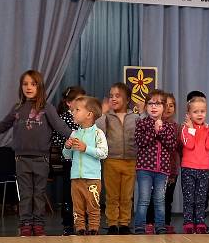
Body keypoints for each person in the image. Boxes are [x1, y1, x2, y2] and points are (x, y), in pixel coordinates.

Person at [0, 70, 74, 237]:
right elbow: (3, 125)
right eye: (25, 84)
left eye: (33, 84)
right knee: (25, 194)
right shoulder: (18, 108)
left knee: (38, 194)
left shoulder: (47, 108)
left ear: (39, 86)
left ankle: (38, 225)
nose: (28, 87)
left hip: (41, 159)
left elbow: (61, 127)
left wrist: (75, 137)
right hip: (21, 159)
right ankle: (25, 224)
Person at [133, 90, 178, 234]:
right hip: (144, 169)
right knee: (144, 199)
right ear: (146, 107)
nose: (154, 107)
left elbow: (171, 145)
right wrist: (154, 131)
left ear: (164, 107)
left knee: (160, 200)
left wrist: (161, 129)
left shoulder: (169, 126)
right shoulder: (142, 123)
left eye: (158, 104)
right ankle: (140, 226)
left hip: (163, 170)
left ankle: (160, 226)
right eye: (150, 103)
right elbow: (140, 142)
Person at [96, 82, 138, 235]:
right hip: (111, 160)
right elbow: (97, 131)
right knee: (112, 195)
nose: (113, 98)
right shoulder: (106, 117)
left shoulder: (135, 117)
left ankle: (124, 223)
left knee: (127, 195)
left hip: (130, 161)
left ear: (127, 99)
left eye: (118, 96)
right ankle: (112, 223)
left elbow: (143, 133)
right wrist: (102, 113)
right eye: (111, 96)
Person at [63, 96, 108, 235]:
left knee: (93, 206)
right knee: (77, 207)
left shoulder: (98, 133)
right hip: (76, 178)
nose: (73, 112)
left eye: (77, 109)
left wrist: (85, 148)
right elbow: (66, 156)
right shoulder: (74, 133)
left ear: (89, 114)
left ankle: (94, 229)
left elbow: (103, 153)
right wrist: (67, 147)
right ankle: (80, 229)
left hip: (92, 178)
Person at [180, 95, 209, 234]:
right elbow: (189, 144)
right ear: (189, 114)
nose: (199, 114)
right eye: (195, 112)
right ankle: (188, 222)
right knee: (189, 197)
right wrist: (191, 129)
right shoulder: (185, 128)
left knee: (201, 198)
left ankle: (200, 222)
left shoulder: (208, 129)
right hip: (188, 169)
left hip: (203, 169)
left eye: (202, 111)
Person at [51, 86, 83, 235]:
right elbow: (56, 138)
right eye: (77, 100)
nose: (81, 102)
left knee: (84, 193)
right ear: (69, 103)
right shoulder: (63, 118)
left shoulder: (86, 117)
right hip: (69, 162)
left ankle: (83, 223)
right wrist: (67, 142)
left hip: (85, 162)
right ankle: (68, 223)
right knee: (69, 194)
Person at [146, 92, 179, 234]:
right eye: (167, 105)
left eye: (172, 106)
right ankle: (149, 223)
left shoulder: (176, 127)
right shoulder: (150, 123)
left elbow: (176, 149)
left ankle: (165, 223)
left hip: (171, 169)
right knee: (152, 197)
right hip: (154, 168)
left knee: (167, 198)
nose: (169, 108)